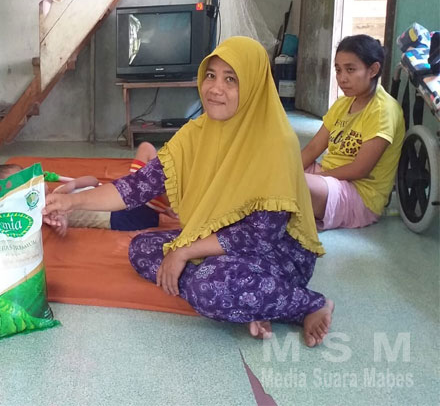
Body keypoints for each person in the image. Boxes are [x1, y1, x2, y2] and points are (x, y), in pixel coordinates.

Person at [45, 36, 334, 347]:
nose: (215, 88)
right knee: (141, 249)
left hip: (278, 255)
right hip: (218, 242)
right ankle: (254, 302)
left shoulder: (276, 143)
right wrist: (72, 201)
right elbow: (136, 187)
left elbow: (260, 236)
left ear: (253, 85)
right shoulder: (196, 133)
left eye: (231, 79)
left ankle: (308, 304)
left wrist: (183, 252)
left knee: (208, 286)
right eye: (210, 75)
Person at [301, 34, 405, 230]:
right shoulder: (343, 104)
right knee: (272, 166)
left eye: (350, 69)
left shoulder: (383, 110)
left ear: (373, 70)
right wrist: (289, 169)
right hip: (327, 177)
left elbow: (360, 169)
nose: (342, 78)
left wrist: (315, 178)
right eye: (338, 70)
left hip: (359, 194)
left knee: (292, 184)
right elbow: (313, 147)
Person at [0, 141, 173, 236]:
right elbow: (59, 221)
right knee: (151, 164)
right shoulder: (44, 211)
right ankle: (166, 199)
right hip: (125, 216)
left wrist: (73, 185)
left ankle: (163, 199)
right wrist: (61, 221)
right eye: (24, 185)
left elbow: (93, 180)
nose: (32, 180)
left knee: (147, 150)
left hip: (126, 204)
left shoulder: (59, 193)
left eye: (26, 175)